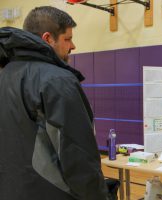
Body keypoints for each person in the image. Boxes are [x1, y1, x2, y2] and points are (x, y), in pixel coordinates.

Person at [0, 6, 112, 200]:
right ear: (48, 39)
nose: (73, 46)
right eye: (68, 39)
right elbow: (79, 157)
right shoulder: (57, 80)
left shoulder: (5, 75)